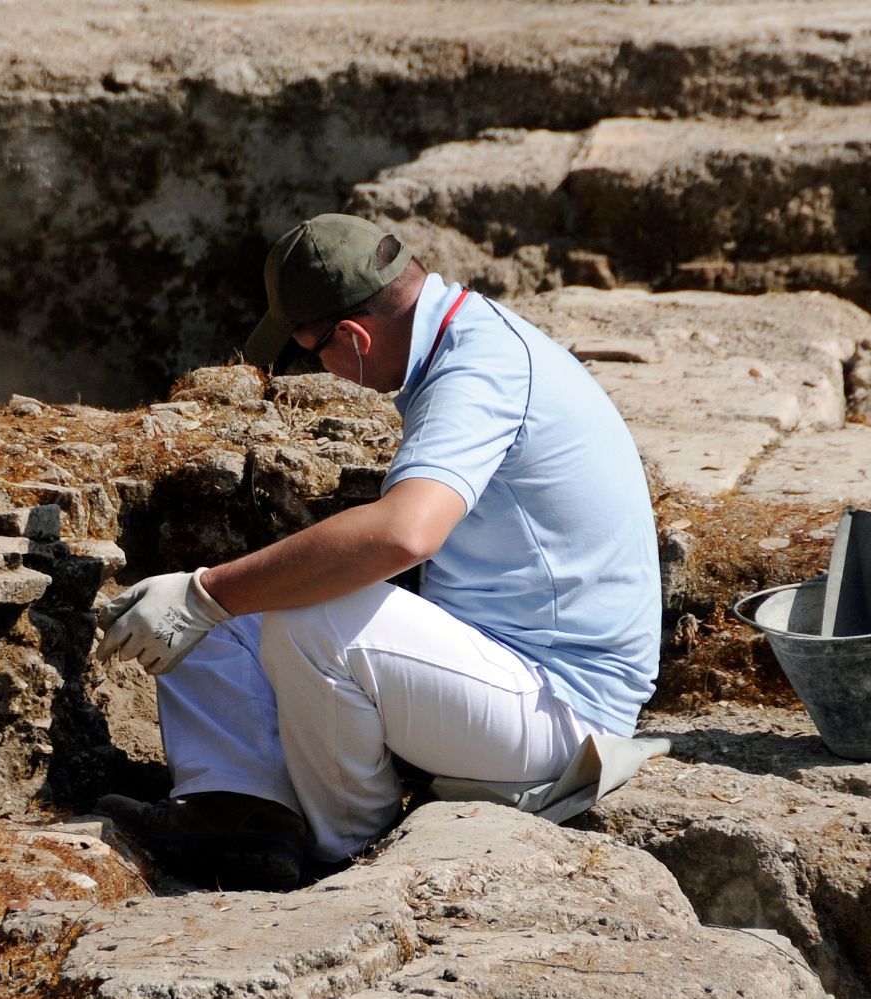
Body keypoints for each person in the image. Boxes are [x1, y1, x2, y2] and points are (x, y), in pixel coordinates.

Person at [94, 213, 660, 889]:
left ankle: (344, 851)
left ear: (354, 337)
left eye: (312, 351)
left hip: (564, 712)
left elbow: (404, 533)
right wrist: (209, 593)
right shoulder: (465, 341)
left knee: (304, 616)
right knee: (245, 594)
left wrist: (207, 594)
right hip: (509, 673)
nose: (320, 370)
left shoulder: (479, 371)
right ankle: (242, 814)